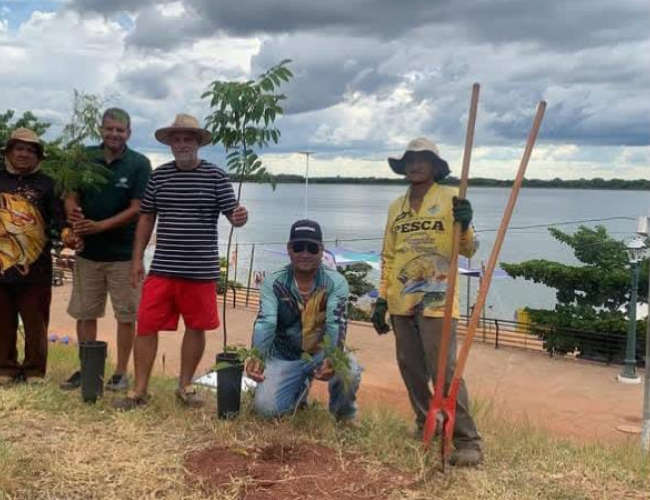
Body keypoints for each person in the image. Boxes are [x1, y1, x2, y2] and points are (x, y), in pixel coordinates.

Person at [114, 113, 248, 410]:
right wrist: (137, 259)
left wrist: (241, 217)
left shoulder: (216, 176)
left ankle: (185, 386)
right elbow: (146, 217)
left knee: (196, 327)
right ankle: (139, 391)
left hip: (200, 271)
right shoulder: (159, 177)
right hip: (162, 268)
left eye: (188, 138)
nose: (183, 143)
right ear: (171, 143)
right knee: (146, 326)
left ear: (198, 142)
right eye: (177, 138)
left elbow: (233, 215)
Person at [371, 137, 483, 466]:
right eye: (410, 160)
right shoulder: (396, 207)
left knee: (445, 372)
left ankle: (467, 440)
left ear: (435, 166)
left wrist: (465, 223)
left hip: (438, 299)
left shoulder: (452, 199)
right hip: (401, 301)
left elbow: (469, 249)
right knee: (411, 369)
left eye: (422, 160)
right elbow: (389, 256)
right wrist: (381, 299)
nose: (415, 165)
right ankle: (427, 423)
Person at [0, 128, 76, 387]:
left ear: (38, 156)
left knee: (36, 321)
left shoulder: (49, 185)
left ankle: (34, 371)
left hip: (37, 267)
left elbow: (60, 219)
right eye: (19, 148)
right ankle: (5, 369)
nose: (24, 154)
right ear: (8, 152)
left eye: (30, 150)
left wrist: (68, 234)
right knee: (0, 321)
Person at [60, 108, 152, 393]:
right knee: (85, 313)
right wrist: (75, 220)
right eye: (109, 129)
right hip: (88, 254)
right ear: (100, 129)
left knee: (126, 315)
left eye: (120, 130)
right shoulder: (83, 158)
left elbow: (138, 208)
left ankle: (121, 372)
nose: (114, 134)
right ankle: (88, 367)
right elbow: (70, 194)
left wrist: (100, 226)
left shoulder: (139, 164)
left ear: (129, 132)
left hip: (124, 255)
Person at [245, 220, 362, 421]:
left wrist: (332, 357)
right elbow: (266, 322)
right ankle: (299, 388)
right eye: (298, 247)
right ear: (289, 249)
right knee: (267, 410)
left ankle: (344, 417)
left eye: (312, 247)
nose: (305, 253)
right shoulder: (274, 283)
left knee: (348, 370)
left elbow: (337, 323)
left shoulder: (336, 283)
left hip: (319, 352)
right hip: (283, 356)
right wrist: (258, 356)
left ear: (321, 250)